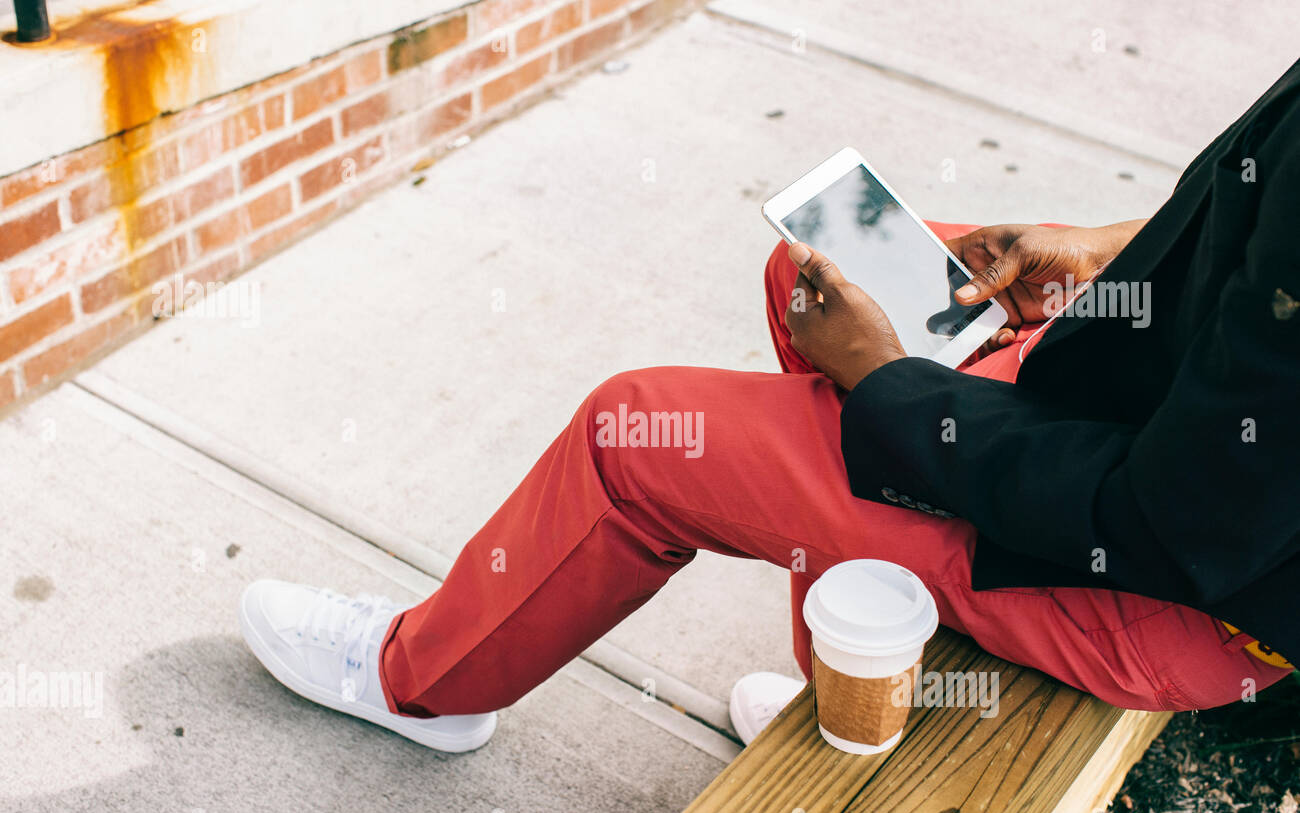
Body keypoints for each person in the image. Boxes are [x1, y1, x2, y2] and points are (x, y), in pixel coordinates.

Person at [239, 58, 1300, 753]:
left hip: (1148, 587)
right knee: (811, 269)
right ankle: (847, 684)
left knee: (632, 434)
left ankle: (426, 684)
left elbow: (1171, 525)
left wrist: (889, 383)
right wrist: (1108, 254)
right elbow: (1248, 216)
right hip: (1132, 429)